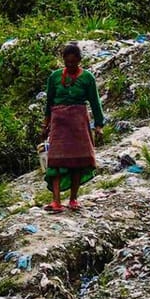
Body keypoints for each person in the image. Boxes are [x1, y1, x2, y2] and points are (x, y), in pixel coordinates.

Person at [42, 42, 106, 213]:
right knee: (55, 162)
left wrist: (99, 125)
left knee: (77, 161)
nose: (70, 65)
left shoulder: (87, 78)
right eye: (67, 62)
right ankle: (56, 201)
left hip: (78, 122)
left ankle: (73, 198)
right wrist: (46, 123)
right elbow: (49, 102)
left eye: (73, 62)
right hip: (59, 122)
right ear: (63, 60)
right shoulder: (54, 77)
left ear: (79, 60)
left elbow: (95, 102)